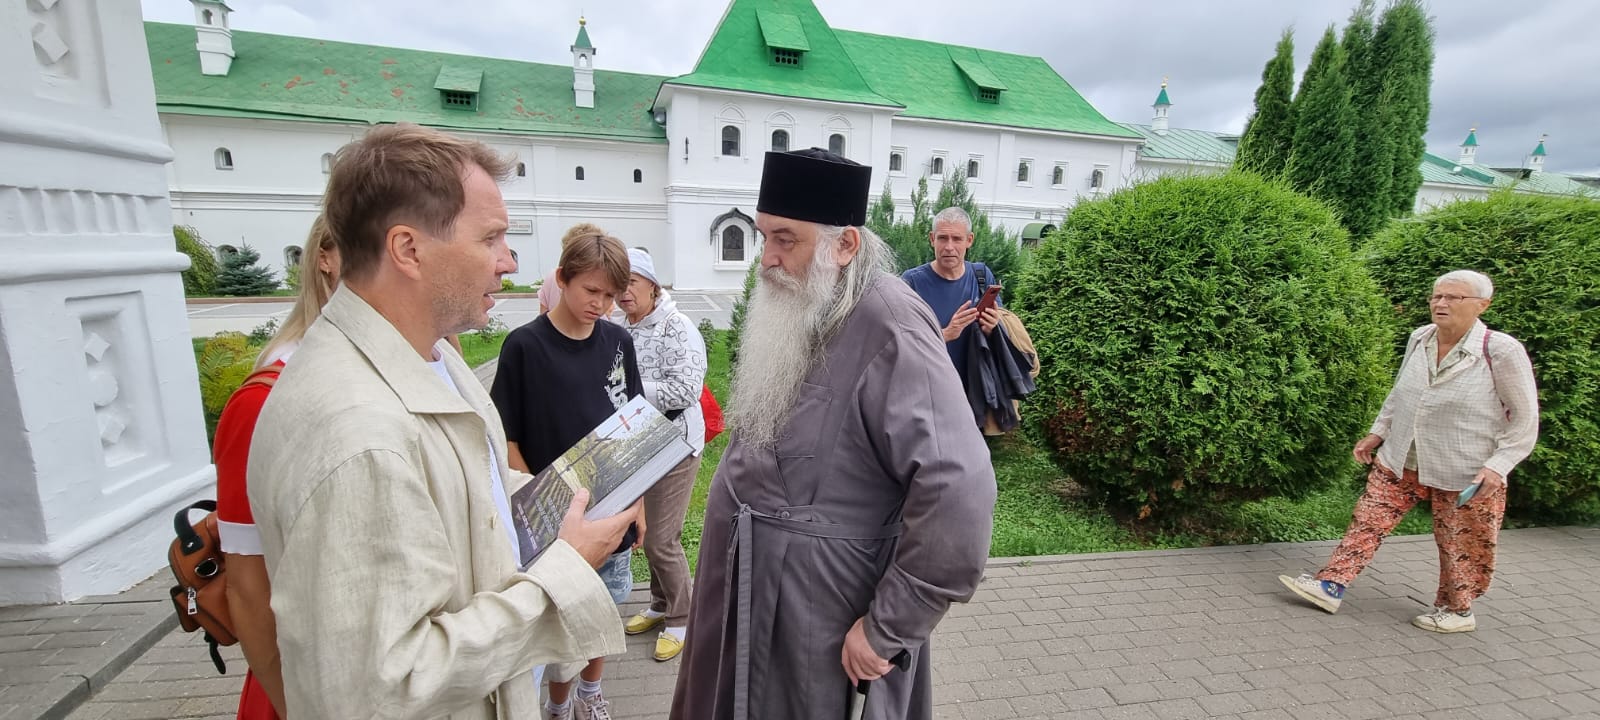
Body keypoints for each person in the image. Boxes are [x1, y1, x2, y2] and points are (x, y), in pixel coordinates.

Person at [245, 123, 638, 719]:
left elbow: (468, 483)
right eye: (492, 238)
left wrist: (571, 502)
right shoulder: (357, 434)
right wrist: (565, 569)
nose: (508, 262)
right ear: (408, 249)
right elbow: (382, 685)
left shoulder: (432, 359)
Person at [669, 148, 997, 720]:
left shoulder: (890, 323)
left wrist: (888, 626)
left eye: (785, 240)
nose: (765, 259)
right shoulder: (805, 300)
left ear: (844, 245)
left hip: (816, 617)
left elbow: (960, 489)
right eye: (762, 236)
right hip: (748, 593)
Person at [1280, 270, 1539, 633]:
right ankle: (1331, 584)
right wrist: (1378, 432)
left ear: (1483, 305)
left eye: (1454, 297)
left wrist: (1499, 466)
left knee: (1460, 543)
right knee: (1367, 520)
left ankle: (1457, 610)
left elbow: (1526, 418)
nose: (1441, 303)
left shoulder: (1500, 350)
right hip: (1402, 457)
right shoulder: (1421, 337)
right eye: (1436, 296)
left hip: (1464, 469)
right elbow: (1402, 391)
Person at [490, 227, 644, 720]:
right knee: (556, 618)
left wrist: (637, 502)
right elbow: (507, 438)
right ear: (562, 278)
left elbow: (635, 427)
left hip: (610, 512)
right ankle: (556, 703)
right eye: (590, 291)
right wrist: (539, 501)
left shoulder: (619, 343)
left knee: (601, 606)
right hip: (551, 521)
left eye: (611, 296)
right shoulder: (524, 347)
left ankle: (590, 693)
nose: (600, 304)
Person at [213, 217, 340, 720]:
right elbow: (247, 583)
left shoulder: (435, 361)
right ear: (325, 259)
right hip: (307, 682)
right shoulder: (267, 399)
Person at [615, 247, 708, 662]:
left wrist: (631, 391)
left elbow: (686, 391)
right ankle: (658, 604)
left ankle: (682, 617)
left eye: (631, 283)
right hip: (640, 443)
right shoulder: (625, 326)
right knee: (645, 533)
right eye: (619, 285)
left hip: (676, 445)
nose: (623, 293)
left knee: (662, 538)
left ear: (652, 285)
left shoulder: (677, 327)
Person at [899, 207, 1000, 388]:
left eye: (957, 239)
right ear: (932, 239)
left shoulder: (982, 277)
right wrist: (946, 334)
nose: (949, 247)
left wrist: (992, 327)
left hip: (976, 391)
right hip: (928, 391)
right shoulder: (912, 282)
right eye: (942, 238)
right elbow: (899, 344)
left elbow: (999, 334)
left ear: (969, 240)